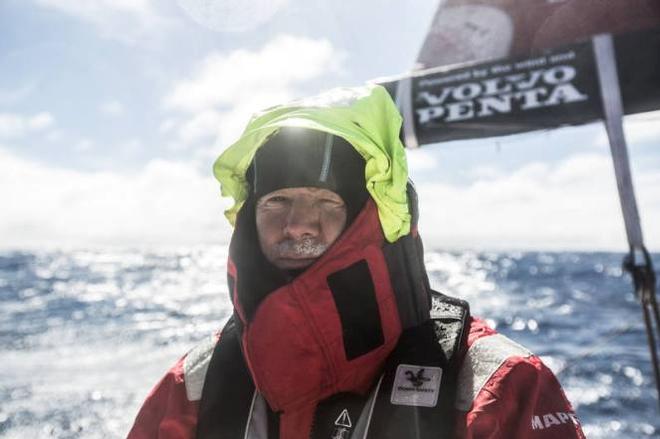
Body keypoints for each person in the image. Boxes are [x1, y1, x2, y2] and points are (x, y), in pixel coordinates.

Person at [127, 85, 585, 438]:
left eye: (326, 201)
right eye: (277, 201)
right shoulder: (196, 384)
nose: (297, 225)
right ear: (250, 218)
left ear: (372, 218)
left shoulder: (497, 384)